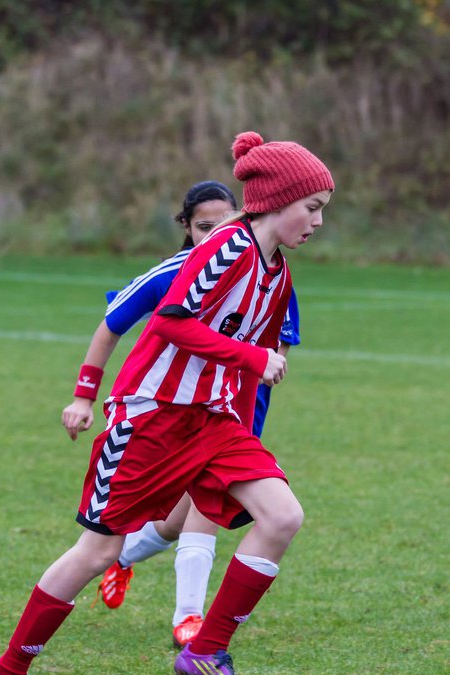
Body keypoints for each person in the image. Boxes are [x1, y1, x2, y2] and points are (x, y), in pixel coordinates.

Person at [0, 130, 333, 675]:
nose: (319, 221)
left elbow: (253, 360)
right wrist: (248, 359)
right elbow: (172, 322)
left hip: (213, 422)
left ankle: (205, 651)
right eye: (313, 207)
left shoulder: (279, 275)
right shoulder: (225, 248)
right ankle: (6, 672)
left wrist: (249, 434)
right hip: (149, 417)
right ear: (276, 200)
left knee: (281, 516)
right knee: (99, 553)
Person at [61, 181, 303, 649]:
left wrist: (248, 401)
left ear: (246, 214)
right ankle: (190, 622)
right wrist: (83, 396)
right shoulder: (177, 271)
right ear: (187, 230)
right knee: (190, 521)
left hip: (230, 417)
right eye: (203, 226)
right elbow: (114, 325)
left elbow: (272, 352)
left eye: (225, 220)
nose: (216, 231)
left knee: (178, 523)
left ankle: (125, 561)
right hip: (169, 416)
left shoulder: (272, 271)